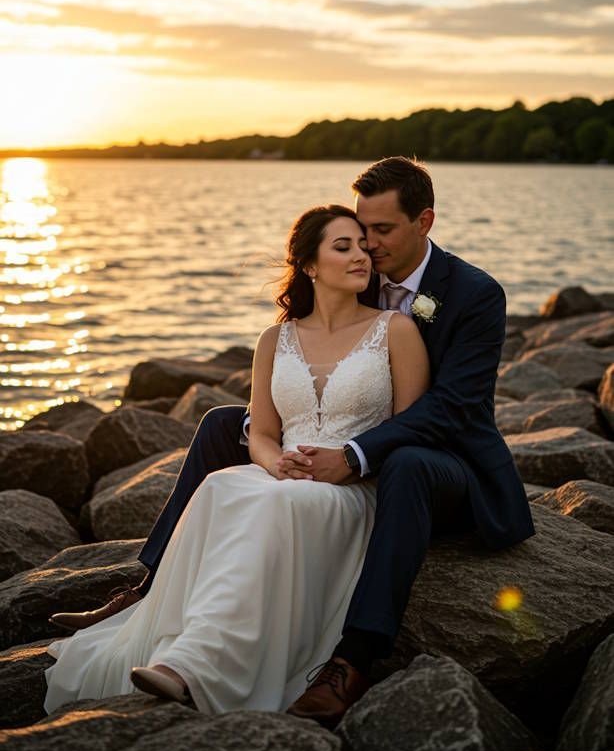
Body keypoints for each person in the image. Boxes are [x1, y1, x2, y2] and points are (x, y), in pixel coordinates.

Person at [50, 156, 535, 726]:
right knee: (218, 425)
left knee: (402, 462)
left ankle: (353, 658)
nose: (368, 247)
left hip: (445, 460)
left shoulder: (473, 293)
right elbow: (305, 363)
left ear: (424, 222)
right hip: (334, 443)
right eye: (359, 231)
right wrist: (283, 454)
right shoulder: (354, 277)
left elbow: (448, 410)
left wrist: (352, 457)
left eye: (382, 232)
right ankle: (150, 586)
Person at [44, 204, 429, 720]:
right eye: (344, 246)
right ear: (310, 265)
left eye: (363, 245)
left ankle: (192, 665)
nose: (362, 254)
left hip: (350, 487)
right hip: (283, 472)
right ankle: (168, 627)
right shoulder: (276, 339)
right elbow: (263, 434)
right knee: (223, 488)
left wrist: (349, 462)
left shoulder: (396, 330)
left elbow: (410, 429)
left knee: (279, 507)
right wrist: (275, 466)